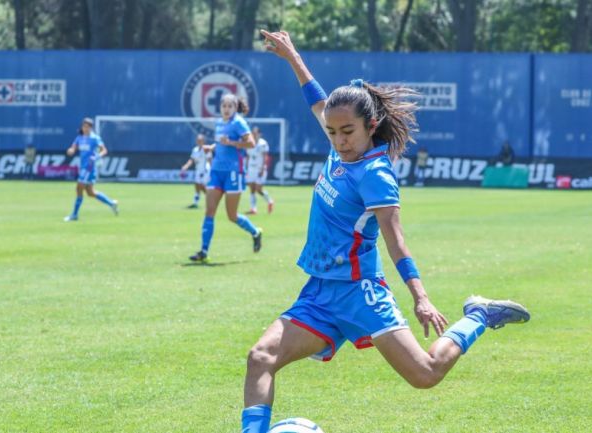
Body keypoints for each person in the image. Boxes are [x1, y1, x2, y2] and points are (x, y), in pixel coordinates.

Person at [240, 30, 531, 433]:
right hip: (321, 291)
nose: (339, 141)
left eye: (347, 133)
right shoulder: (338, 137)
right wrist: (292, 57)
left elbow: (395, 241)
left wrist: (421, 298)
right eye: (332, 132)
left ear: (370, 125)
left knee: (425, 373)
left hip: (361, 292)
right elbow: (316, 99)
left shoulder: (376, 175)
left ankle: (478, 314)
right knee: (261, 357)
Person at [189, 93, 263, 262]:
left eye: (230, 106)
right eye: (224, 106)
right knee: (209, 211)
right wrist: (212, 146)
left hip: (233, 173)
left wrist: (232, 143)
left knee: (232, 216)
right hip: (216, 171)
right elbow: (222, 142)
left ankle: (255, 232)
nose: (227, 109)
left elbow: (251, 143)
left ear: (235, 108)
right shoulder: (218, 123)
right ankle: (204, 251)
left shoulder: (238, 122)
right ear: (220, 107)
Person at [63, 117, 119, 222]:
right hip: (83, 167)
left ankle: (74, 215)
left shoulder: (94, 138)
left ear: (91, 127)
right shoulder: (79, 138)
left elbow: (104, 150)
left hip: (89, 168)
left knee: (78, 188)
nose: (85, 128)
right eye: (84, 126)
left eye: (87, 126)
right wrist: (71, 150)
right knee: (90, 192)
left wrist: (97, 156)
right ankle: (112, 203)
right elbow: (73, 147)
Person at [245, 127, 275, 214]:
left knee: (258, 189)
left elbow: (265, 156)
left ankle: (269, 201)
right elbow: (248, 156)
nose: (254, 134)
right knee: (252, 188)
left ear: (259, 134)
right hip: (251, 168)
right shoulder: (249, 143)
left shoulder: (263, 143)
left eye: (255, 133)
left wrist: (263, 168)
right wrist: (246, 168)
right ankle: (253, 208)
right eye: (252, 133)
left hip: (259, 168)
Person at [180, 134, 212, 209]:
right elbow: (191, 160)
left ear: (203, 141)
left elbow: (210, 160)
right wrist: (186, 166)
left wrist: (213, 170)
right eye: (198, 140)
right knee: (197, 186)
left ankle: (211, 199)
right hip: (198, 170)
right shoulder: (195, 149)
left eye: (200, 140)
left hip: (205, 170)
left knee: (201, 185)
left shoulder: (206, 149)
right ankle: (195, 203)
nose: (199, 142)